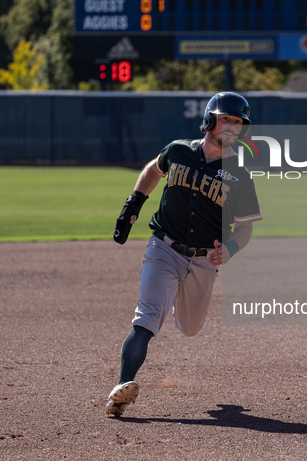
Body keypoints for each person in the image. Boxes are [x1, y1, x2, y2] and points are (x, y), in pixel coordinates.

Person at [106, 92, 262, 417]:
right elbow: (154, 167)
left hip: (205, 261)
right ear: (209, 119)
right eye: (226, 119)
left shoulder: (240, 175)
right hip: (164, 247)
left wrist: (231, 249)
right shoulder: (178, 151)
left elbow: (245, 228)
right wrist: (133, 203)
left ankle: (178, 301)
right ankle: (121, 389)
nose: (232, 127)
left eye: (238, 122)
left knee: (189, 328)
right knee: (146, 318)